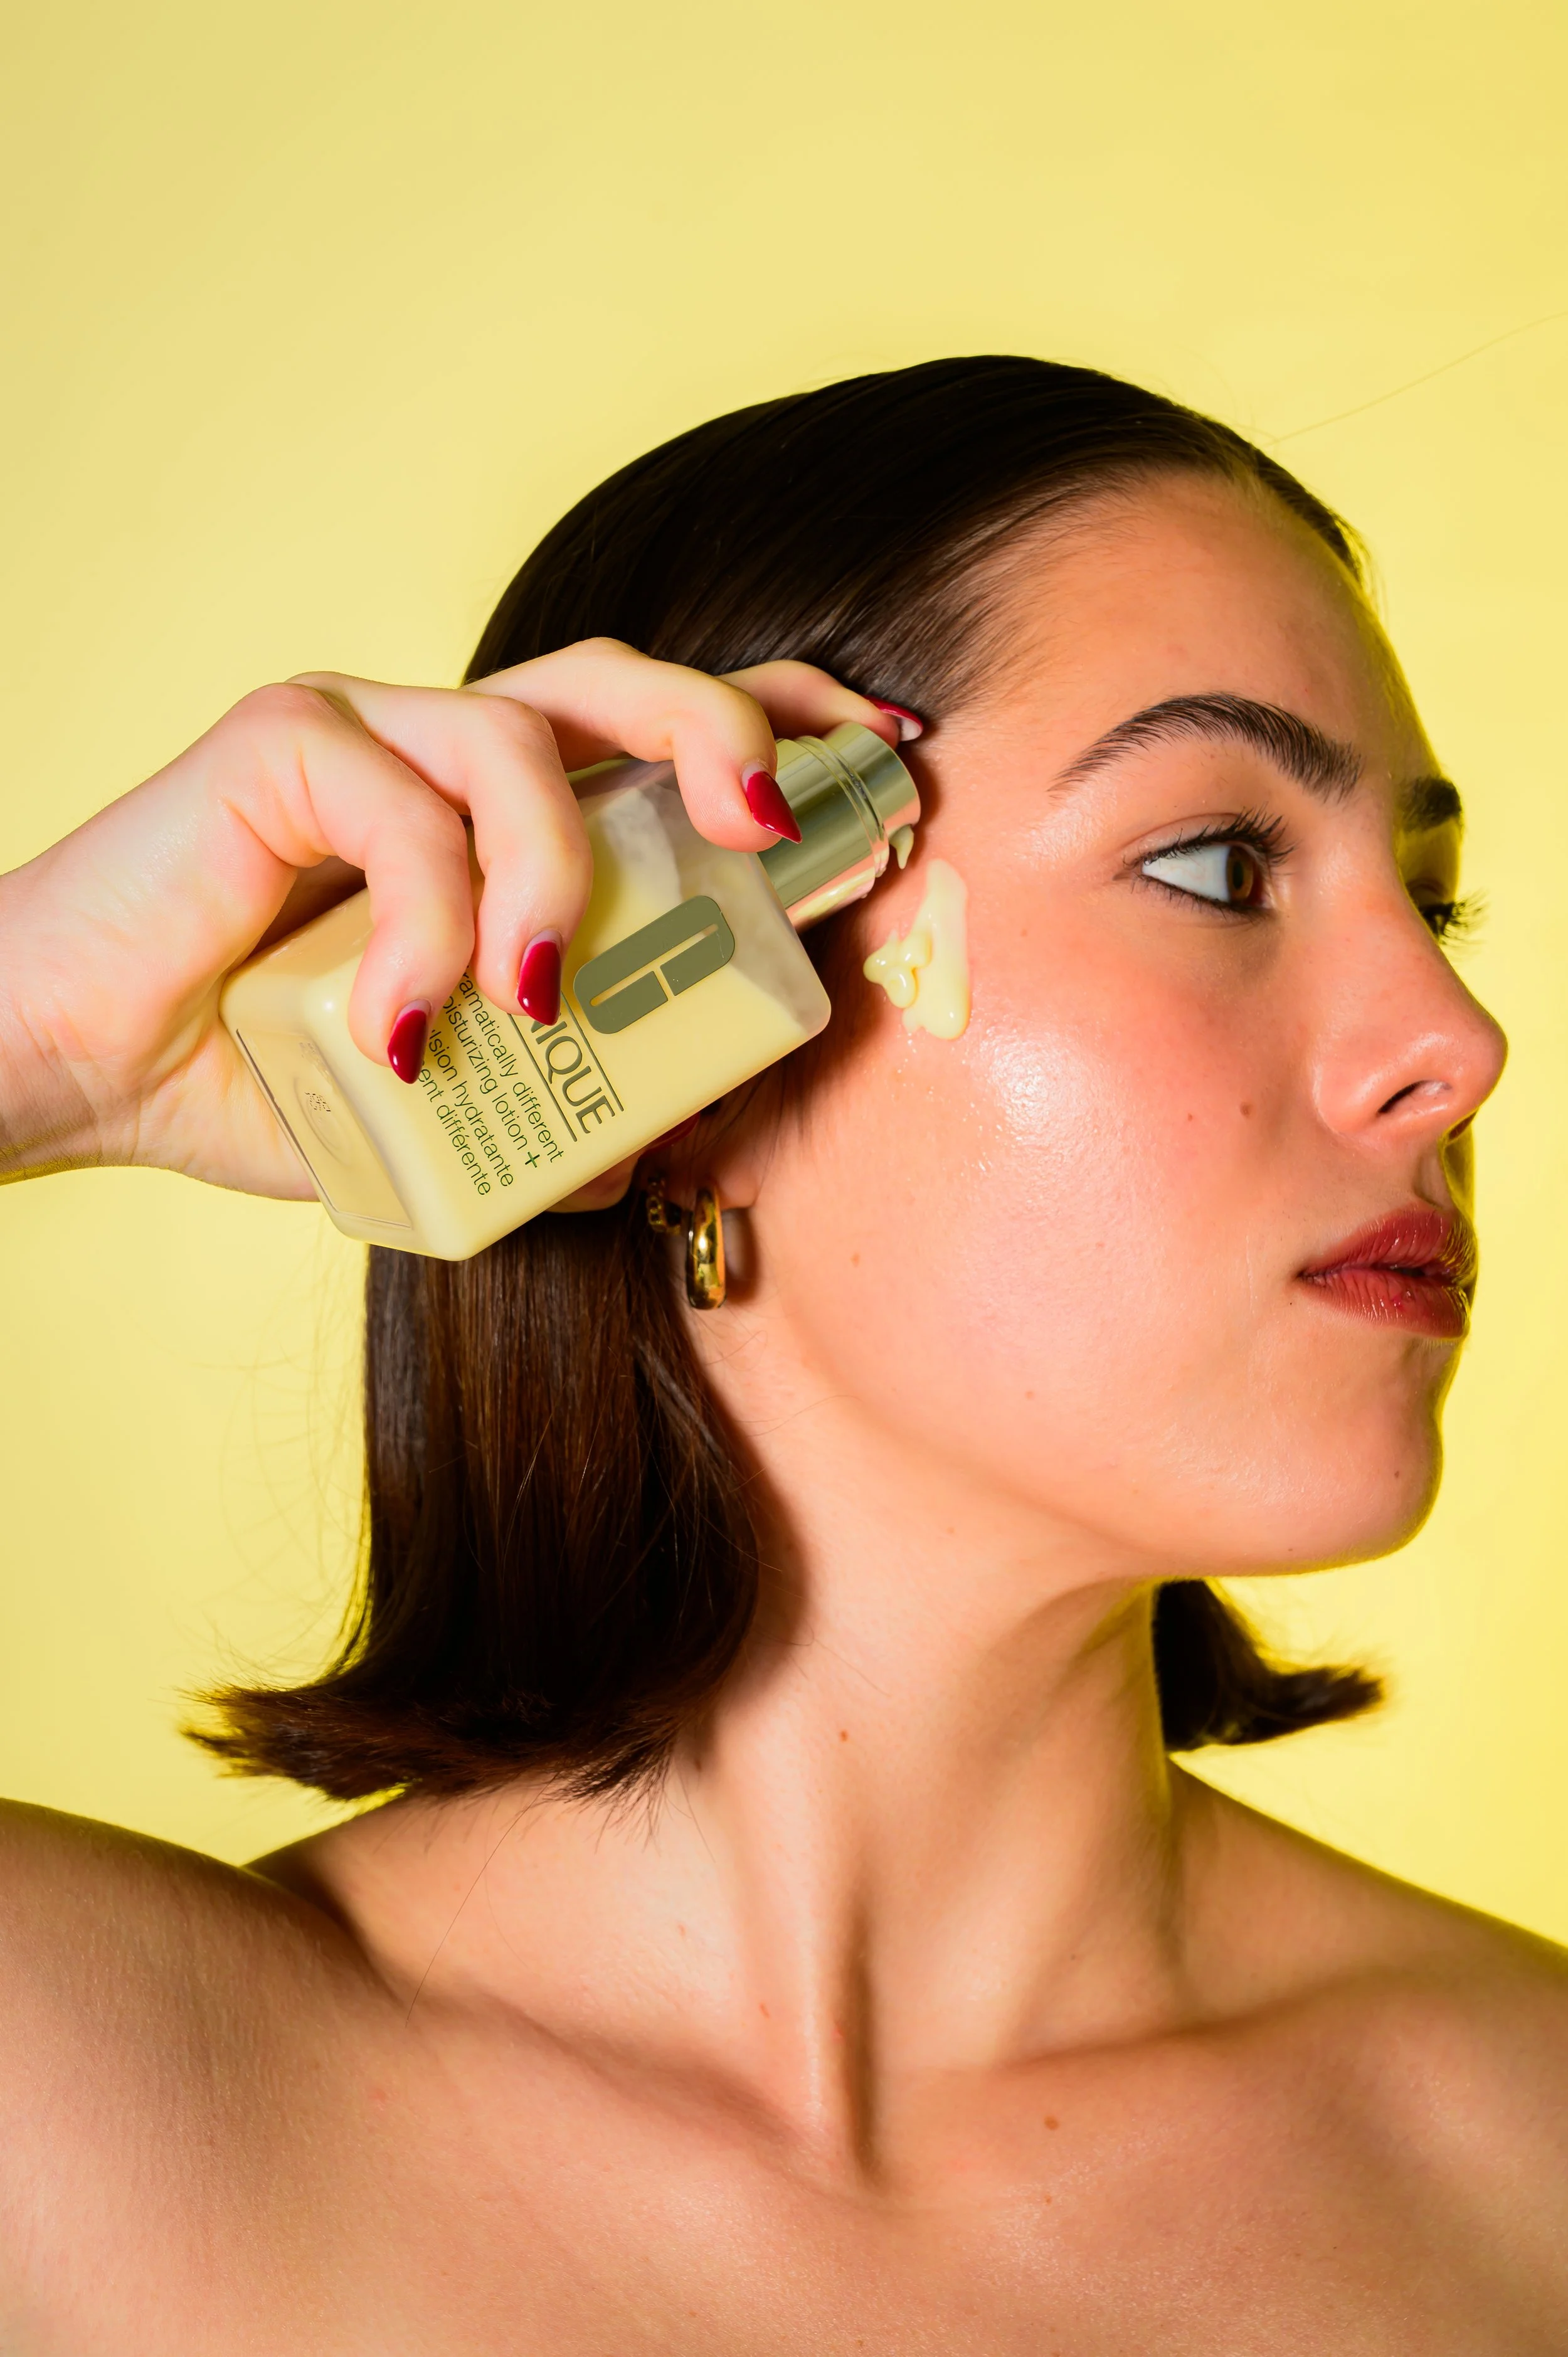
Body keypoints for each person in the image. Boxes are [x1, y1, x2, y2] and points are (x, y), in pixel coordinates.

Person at [1, 356, 1564, 2351]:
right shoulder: (72, 2113)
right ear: (688, 1012)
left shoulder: (1529, 2158)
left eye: (1435, 900)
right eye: (1217, 866)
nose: (1454, 1041)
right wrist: (33, 1045)